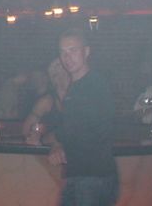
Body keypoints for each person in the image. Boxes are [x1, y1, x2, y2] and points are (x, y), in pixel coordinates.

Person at [47, 28, 119, 206]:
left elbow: (77, 129)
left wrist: (46, 138)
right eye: (62, 52)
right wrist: (59, 145)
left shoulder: (94, 84)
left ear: (86, 51)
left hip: (92, 177)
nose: (67, 57)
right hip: (82, 175)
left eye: (73, 50)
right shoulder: (77, 86)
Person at [22, 58, 71, 145]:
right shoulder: (46, 101)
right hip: (47, 150)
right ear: (56, 79)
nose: (70, 78)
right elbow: (26, 130)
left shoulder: (75, 100)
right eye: (66, 75)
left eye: (70, 75)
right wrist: (38, 140)